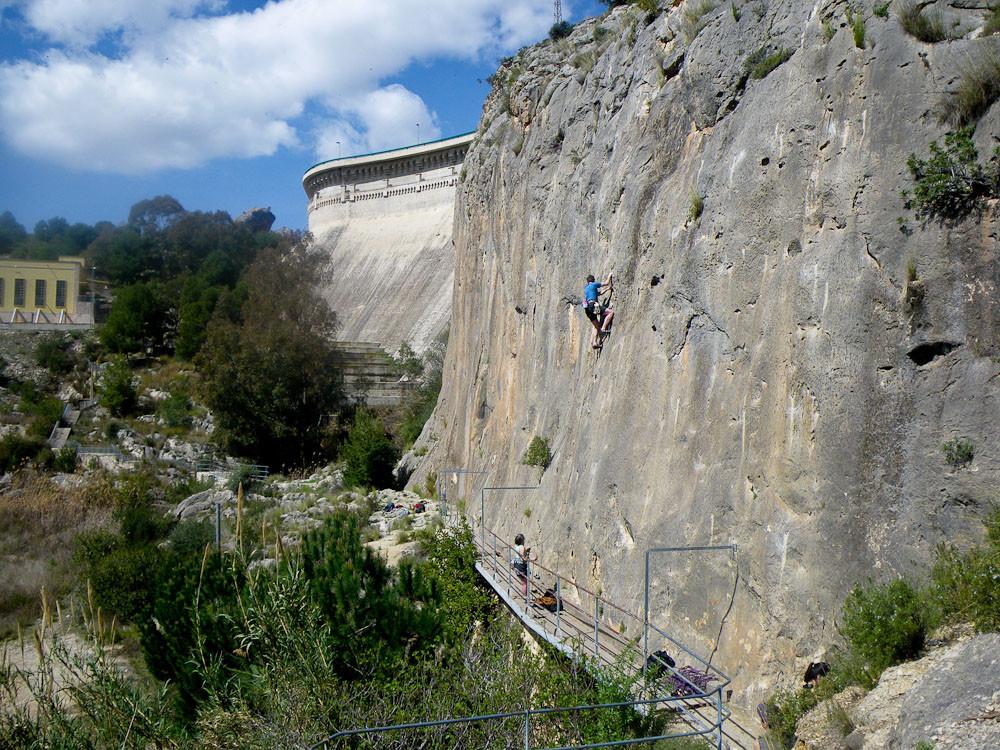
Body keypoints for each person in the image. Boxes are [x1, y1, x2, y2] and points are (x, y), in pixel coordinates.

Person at [583, 273, 614, 348]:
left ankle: (594, 342)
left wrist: (607, 289)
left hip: (588, 309)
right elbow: (606, 283)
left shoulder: (586, 289)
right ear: (593, 280)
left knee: (596, 326)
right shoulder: (594, 285)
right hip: (594, 305)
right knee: (610, 312)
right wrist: (610, 275)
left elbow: (599, 293)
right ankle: (603, 328)